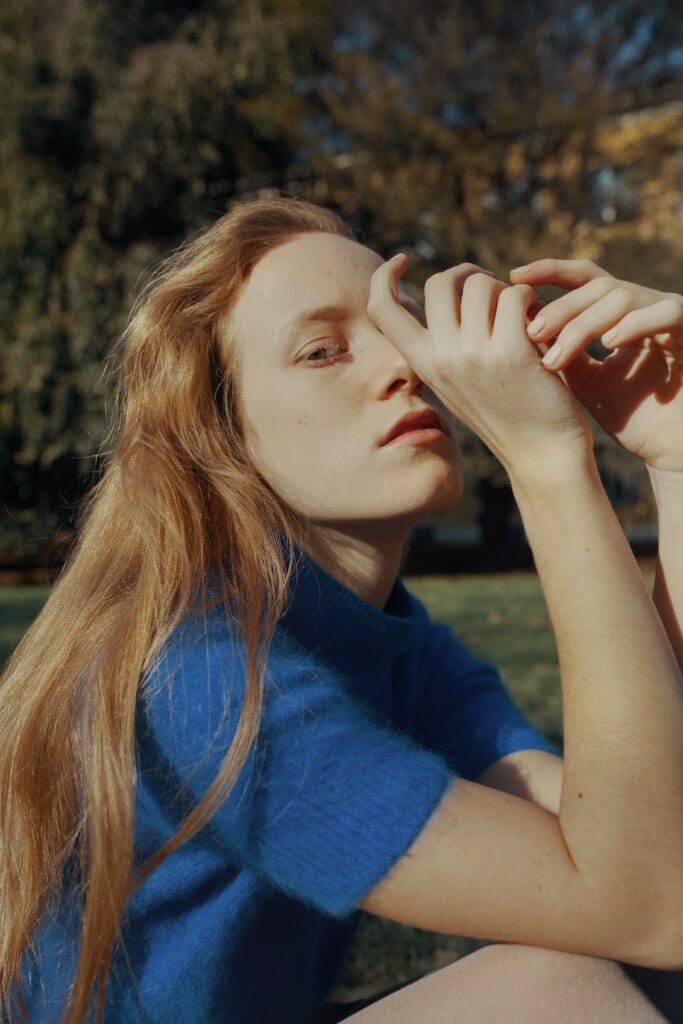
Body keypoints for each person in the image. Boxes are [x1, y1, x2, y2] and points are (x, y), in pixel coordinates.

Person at [0, 195, 681, 1024]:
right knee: (559, 995)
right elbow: (652, 904)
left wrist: (676, 463)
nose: (406, 365)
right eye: (322, 350)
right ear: (220, 435)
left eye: (403, 328)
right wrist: (545, 461)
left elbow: (647, 826)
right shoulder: (201, 681)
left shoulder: (393, 645)